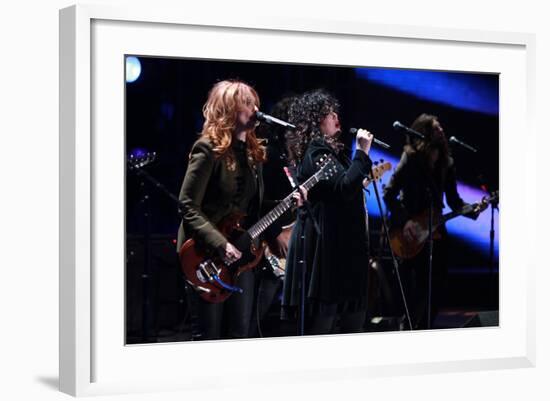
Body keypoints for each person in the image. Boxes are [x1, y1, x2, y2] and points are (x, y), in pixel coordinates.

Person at [176, 79, 284, 340]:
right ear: (228, 110)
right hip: (204, 253)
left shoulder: (252, 154)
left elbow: (253, 208)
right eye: (247, 104)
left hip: (241, 255)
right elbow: (187, 204)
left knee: (240, 333)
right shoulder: (208, 149)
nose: (255, 108)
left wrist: (290, 203)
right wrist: (220, 244)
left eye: (255, 103)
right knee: (209, 335)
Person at [281, 89, 374, 335]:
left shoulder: (334, 154)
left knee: (351, 322)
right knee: (324, 325)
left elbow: (344, 187)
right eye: (330, 113)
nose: (337, 118)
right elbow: (343, 188)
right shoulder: (316, 152)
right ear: (316, 119)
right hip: (328, 254)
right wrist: (362, 153)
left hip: (343, 252)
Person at [383, 113, 478, 330]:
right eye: (436, 128)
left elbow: (453, 201)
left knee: (437, 286)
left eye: (441, 128)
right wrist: (406, 221)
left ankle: (425, 329)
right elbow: (389, 193)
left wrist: (473, 210)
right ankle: (408, 328)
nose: (442, 131)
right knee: (415, 288)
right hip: (410, 231)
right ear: (425, 133)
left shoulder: (447, 162)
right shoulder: (411, 157)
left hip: (436, 230)